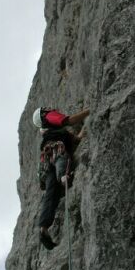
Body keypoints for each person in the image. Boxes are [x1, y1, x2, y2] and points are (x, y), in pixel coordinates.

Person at [32, 107, 89, 250]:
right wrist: (89, 111)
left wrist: (84, 131)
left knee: (51, 192)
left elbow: (76, 139)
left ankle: (44, 228)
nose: (49, 109)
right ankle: (64, 177)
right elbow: (68, 120)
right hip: (56, 150)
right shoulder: (50, 117)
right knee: (61, 161)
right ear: (43, 116)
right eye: (45, 110)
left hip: (47, 160)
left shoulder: (55, 133)